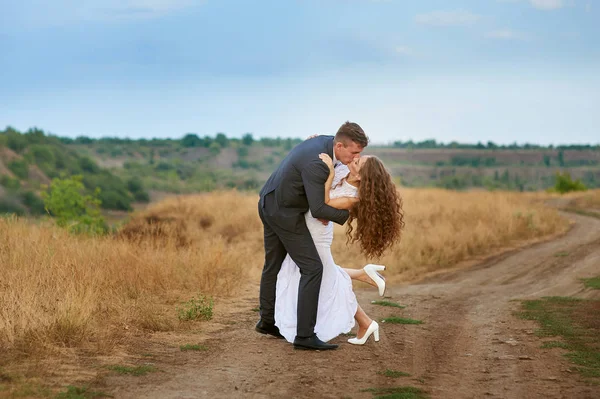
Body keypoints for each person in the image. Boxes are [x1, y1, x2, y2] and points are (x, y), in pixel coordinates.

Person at [256, 122, 368, 351]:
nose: (356, 157)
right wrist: (349, 213)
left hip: (269, 201)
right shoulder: (318, 163)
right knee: (313, 268)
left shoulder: (324, 142)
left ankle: (267, 322)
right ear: (339, 145)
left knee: (273, 265)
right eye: (354, 152)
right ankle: (305, 336)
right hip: (284, 212)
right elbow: (318, 210)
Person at [274, 154, 404, 345]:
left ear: (361, 176)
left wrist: (330, 174)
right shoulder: (344, 170)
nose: (353, 161)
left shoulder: (352, 197)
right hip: (307, 228)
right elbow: (337, 152)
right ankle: (364, 298)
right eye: (356, 158)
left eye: (357, 162)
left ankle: (365, 317)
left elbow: (323, 204)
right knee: (326, 276)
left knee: (327, 279)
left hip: (317, 234)